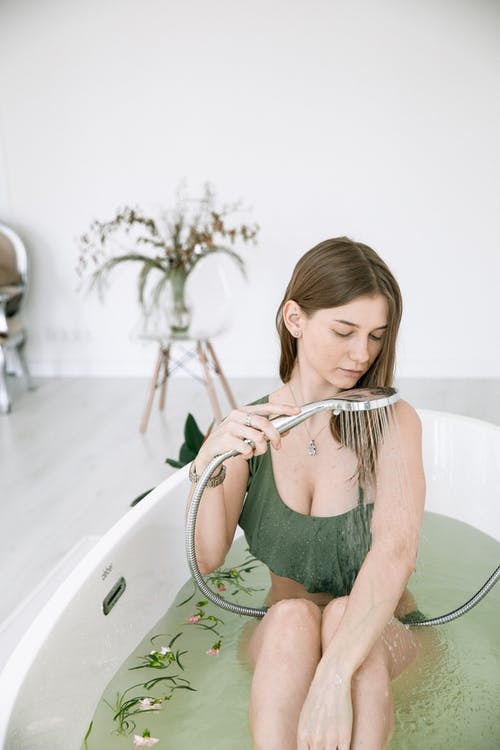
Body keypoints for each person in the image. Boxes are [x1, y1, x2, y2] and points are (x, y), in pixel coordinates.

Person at [186, 237, 426, 750]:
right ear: (295, 318)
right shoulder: (248, 428)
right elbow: (206, 557)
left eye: (377, 336)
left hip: (380, 634)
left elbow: (396, 552)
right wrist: (209, 460)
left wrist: (333, 675)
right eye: (344, 331)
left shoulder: (393, 422)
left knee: (341, 615)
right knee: (293, 616)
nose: (362, 354)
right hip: (283, 644)